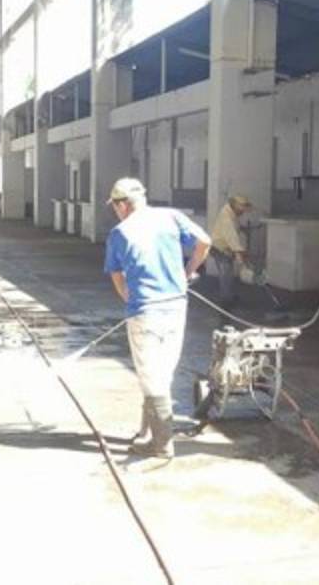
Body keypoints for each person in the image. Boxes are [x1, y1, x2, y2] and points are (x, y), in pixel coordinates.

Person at [104, 178, 211, 458]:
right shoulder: (171, 217)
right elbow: (204, 242)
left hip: (145, 313)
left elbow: (118, 278)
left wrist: (130, 298)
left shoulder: (119, 232)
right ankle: (147, 432)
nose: (115, 211)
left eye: (115, 206)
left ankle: (162, 444)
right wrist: (187, 273)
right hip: (177, 307)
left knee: (151, 377)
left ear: (123, 205)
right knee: (161, 373)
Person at [208, 195, 253, 306]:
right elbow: (231, 237)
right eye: (242, 208)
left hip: (224, 246)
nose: (243, 211)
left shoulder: (230, 212)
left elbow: (234, 228)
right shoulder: (227, 218)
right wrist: (239, 254)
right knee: (226, 274)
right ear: (235, 205)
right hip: (219, 248)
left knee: (228, 273)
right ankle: (225, 301)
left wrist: (241, 228)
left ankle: (228, 295)